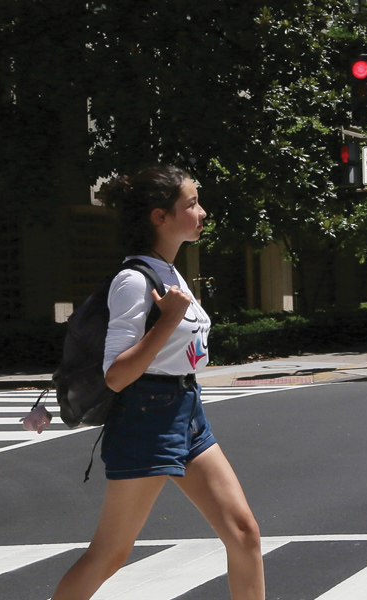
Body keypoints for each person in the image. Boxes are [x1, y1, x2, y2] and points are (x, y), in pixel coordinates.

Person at [52, 165, 264, 600]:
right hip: (145, 417)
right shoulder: (134, 281)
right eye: (191, 204)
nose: (203, 212)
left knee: (244, 534)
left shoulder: (170, 272)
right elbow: (116, 375)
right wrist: (167, 320)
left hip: (186, 412)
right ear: (159, 217)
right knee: (110, 552)